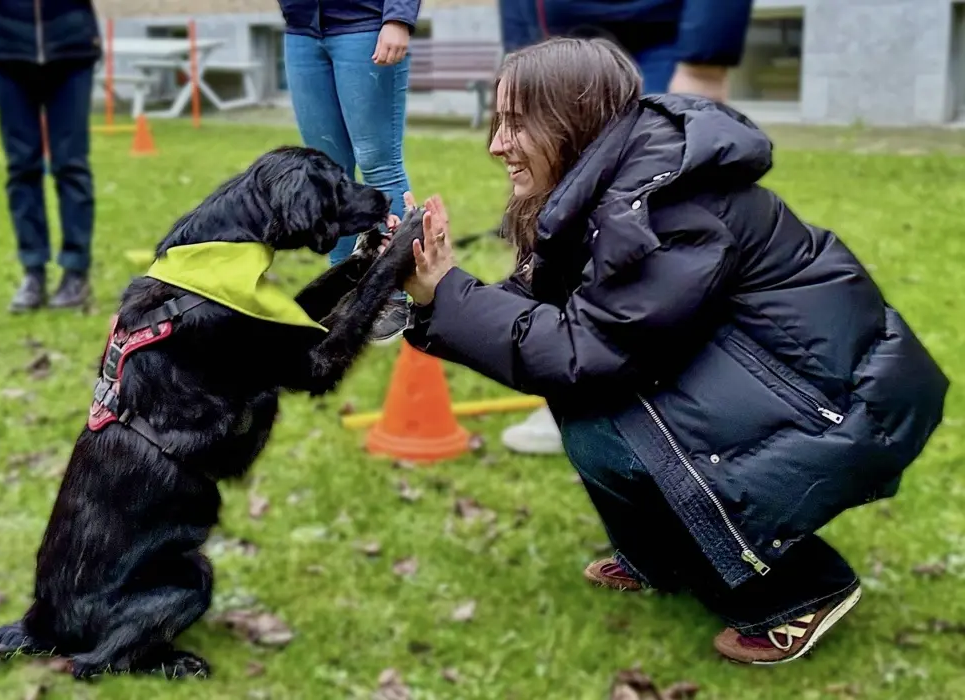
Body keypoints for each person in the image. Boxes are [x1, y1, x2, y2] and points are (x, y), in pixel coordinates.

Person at [392, 37, 949, 664]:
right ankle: (665, 558)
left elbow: (583, 352)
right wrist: (430, 296)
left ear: (573, 118)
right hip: (787, 382)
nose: (497, 144)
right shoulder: (616, 186)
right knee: (595, 415)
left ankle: (801, 591)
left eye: (517, 123)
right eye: (498, 122)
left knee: (619, 422)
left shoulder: (665, 210)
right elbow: (547, 317)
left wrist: (449, 293)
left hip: (835, 403)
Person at [496, 0, 755, 452]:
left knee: (644, 218)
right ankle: (578, 388)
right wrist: (525, 59)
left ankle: (663, 401)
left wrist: (704, 56)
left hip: (661, 39)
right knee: (563, 213)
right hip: (558, 44)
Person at [277, 0, 420, 344]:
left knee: (377, 163)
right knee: (326, 173)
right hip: (303, 31)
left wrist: (398, 17)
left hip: (366, 25)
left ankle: (390, 298)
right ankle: (341, 294)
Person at [0, 0, 100, 312]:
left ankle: (75, 271)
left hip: (70, 42)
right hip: (5, 44)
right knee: (22, 166)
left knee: (71, 165)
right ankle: (33, 272)